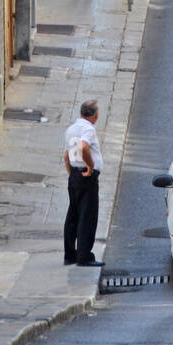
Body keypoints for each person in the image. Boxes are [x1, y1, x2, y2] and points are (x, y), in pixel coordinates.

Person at [63, 99, 103, 267]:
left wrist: (71, 173)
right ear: (95, 115)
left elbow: (67, 155)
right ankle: (84, 256)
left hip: (74, 176)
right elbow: (83, 147)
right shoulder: (89, 129)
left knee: (73, 215)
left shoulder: (71, 129)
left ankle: (70, 254)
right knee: (87, 216)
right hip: (87, 177)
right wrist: (90, 166)